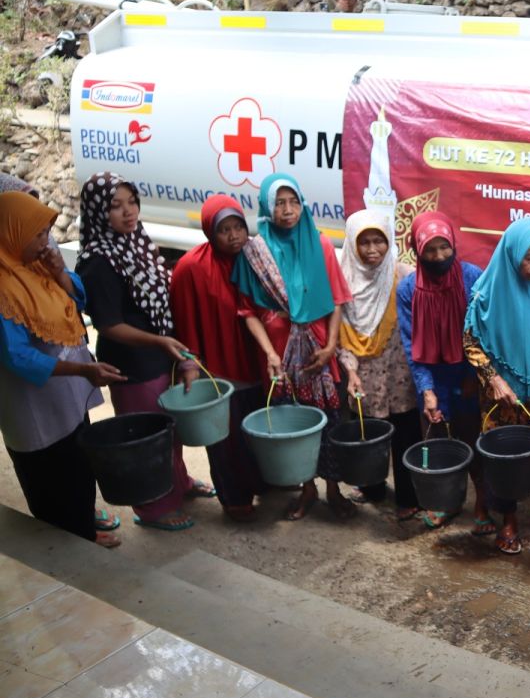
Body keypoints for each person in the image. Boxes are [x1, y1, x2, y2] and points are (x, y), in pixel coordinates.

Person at [77, 172, 213, 532]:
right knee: (147, 437)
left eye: (132, 202)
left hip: (163, 355)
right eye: (115, 206)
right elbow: (108, 324)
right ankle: (153, 508)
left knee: (172, 430)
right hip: (133, 363)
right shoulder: (97, 260)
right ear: (96, 212)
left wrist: (177, 351)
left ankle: (179, 483)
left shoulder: (138, 242)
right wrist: (159, 342)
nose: (128, 212)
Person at [0, 191, 123, 547]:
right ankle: (70, 551)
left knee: (79, 469)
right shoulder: (5, 287)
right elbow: (18, 357)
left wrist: (60, 274)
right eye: (37, 234)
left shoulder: (38, 265)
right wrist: (83, 371)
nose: (45, 242)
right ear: (13, 232)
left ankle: (83, 532)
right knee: (53, 484)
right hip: (33, 411)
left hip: (66, 399)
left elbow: (79, 298)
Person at [231, 172, 353, 521]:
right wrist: (270, 353)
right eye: (280, 203)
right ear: (268, 208)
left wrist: (331, 346)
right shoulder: (255, 252)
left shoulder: (321, 243)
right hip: (278, 352)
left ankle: (333, 488)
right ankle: (307, 489)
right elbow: (248, 312)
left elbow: (337, 299)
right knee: (293, 422)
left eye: (293, 201)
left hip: (318, 348)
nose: (288, 210)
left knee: (329, 420)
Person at [464, 217, 530, 554]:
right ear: (512, 255)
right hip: (500, 394)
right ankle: (508, 519)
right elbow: (470, 343)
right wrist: (493, 379)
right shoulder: (485, 293)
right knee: (504, 456)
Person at [169, 195, 265, 522]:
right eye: (224, 229)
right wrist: (190, 363)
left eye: (238, 226)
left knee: (258, 430)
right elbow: (183, 321)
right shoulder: (191, 268)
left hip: (258, 363)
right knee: (227, 440)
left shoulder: (256, 257)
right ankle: (235, 498)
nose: (234, 235)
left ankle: (262, 484)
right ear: (210, 230)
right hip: (220, 371)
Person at [397, 210, 493, 533]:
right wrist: (427, 390)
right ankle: (446, 502)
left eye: (444, 247)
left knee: (473, 440)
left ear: (454, 243)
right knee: (438, 443)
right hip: (433, 377)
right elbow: (412, 346)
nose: (438, 256)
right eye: (430, 249)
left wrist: (475, 376)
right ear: (417, 250)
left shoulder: (472, 277)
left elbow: (484, 332)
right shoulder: (408, 290)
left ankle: (482, 501)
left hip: (466, 373)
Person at [336, 209, 422, 517]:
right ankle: (371, 486)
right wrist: (350, 372)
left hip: (401, 372)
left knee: (407, 431)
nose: (372, 250)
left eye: (379, 241)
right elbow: (341, 333)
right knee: (369, 431)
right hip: (364, 373)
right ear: (352, 245)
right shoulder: (343, 281)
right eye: (365, 243)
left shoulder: (405, 276)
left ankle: (409, 498)